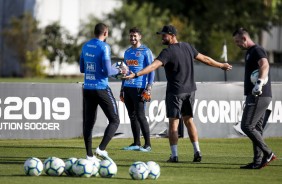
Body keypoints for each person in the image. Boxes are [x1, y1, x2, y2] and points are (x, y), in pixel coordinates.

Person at [123, 25, 232, 163]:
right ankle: (197, 151)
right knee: (189, 121)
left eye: (164, 35)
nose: (162, 37)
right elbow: (205, 59)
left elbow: (153, 66)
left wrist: (136, 74)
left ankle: (174, 156)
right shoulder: (188, 47)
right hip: (190, 91)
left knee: (173, 124)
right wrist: (221, 65)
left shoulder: (167, 52)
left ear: (172, 35)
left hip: (175, 92)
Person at [79, 23, 127, 161]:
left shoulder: (85, 46)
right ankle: (101, 149)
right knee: (115, 120)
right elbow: (107, 71)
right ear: (106, 33)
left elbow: (82, 69)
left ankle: (89, 156)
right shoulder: (104, 47)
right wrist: (119, 71)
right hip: (101, 88)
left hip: (87, 88)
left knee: (88, 122)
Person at [233, 28, 276, 169]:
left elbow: (265, 64)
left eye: (238, 41)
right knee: (256, 127)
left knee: (246, 126)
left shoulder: (257, 50)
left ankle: (268, 153)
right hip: (257, 95)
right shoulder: (250, 52)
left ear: (245, 38)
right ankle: (258, 161)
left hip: (259, 94)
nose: (237, 44)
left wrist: (259, 83)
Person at [120, 27, 155, 152]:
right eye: (131, 36)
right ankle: (136, 142)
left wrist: (149, 87)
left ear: (140, 37)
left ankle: (148, 144)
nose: (132, 38)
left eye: (135, 36)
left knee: (140, 116)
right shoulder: (127, 52)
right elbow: (124, 71)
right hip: (128, 88)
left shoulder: (146, 51)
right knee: (132, 116)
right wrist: (122, 89)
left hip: (140, 87)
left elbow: (151, 70)